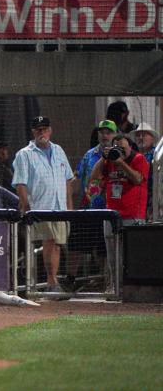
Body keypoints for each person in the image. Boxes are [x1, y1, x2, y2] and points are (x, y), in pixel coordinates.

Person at [12, 116, 74, 294]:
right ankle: (52, 281)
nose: (41, 132)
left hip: (60, 207)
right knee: (50, 241)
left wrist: (69, 205)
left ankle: (51, 281)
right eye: (38, 129)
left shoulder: (59, 150)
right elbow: (20, 183)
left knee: (56, 244)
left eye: (44, 128)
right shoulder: (24, 154)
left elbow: (68, 179)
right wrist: (26, 206)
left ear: (50, 130)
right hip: (41, 206)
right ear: (33, 132)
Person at [91, 134, 148, 292]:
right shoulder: (109, 161)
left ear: (130, 147)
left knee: (131, 255)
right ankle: (116, 288)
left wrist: (120, 162)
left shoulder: (139, 159)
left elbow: (137, 179)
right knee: (112, 255)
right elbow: (94, 177)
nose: (120, 151)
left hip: (133, 216)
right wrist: (104, 158)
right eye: (117, 148)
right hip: (112, 215)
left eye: (123, 148)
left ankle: (133, 289)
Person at [66, 119, 117, 291]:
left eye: (108, 132)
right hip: (88, 207)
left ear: (115, 135)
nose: (105, 135)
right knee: (76, 243)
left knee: (105, 248)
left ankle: (107, 281)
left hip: (109, 210)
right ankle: (70, 280)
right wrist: (70, 203)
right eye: (102, 132)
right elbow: (76, 177)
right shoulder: (89, 155)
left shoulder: (119, 155)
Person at [130, 122, 159, 220]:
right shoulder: (132, 156)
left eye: (144, 134)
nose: (141, 137)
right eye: (138, 135)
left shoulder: (157, 156)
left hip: (152, 201)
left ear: (152, 138)